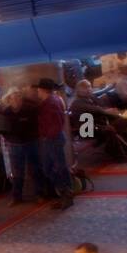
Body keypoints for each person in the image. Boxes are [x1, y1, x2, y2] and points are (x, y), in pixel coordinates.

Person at [0, 88, 46, 204]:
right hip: (14, 144)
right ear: (9, 99)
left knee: (36, 169)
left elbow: (38, 124)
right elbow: (3, 129)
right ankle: (17, 197)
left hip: (31, 142)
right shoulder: (6, 112)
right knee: (17, 171)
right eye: (13, 98)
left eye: (18, 97)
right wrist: (9, 139)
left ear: (21, 99)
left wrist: (34, 136)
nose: (15, 100)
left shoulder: (30, 110)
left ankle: (40, 194)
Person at [35, 78, 74, 210]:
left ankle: (66, 194)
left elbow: (55, 124)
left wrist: (47, 137)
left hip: (52, 139)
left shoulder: (50, 103)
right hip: (53, 138)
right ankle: (65, 193)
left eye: (38, 89)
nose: (37, 92)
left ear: (42, 90)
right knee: (54, 167)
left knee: (56, 168)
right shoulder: (54, 100)